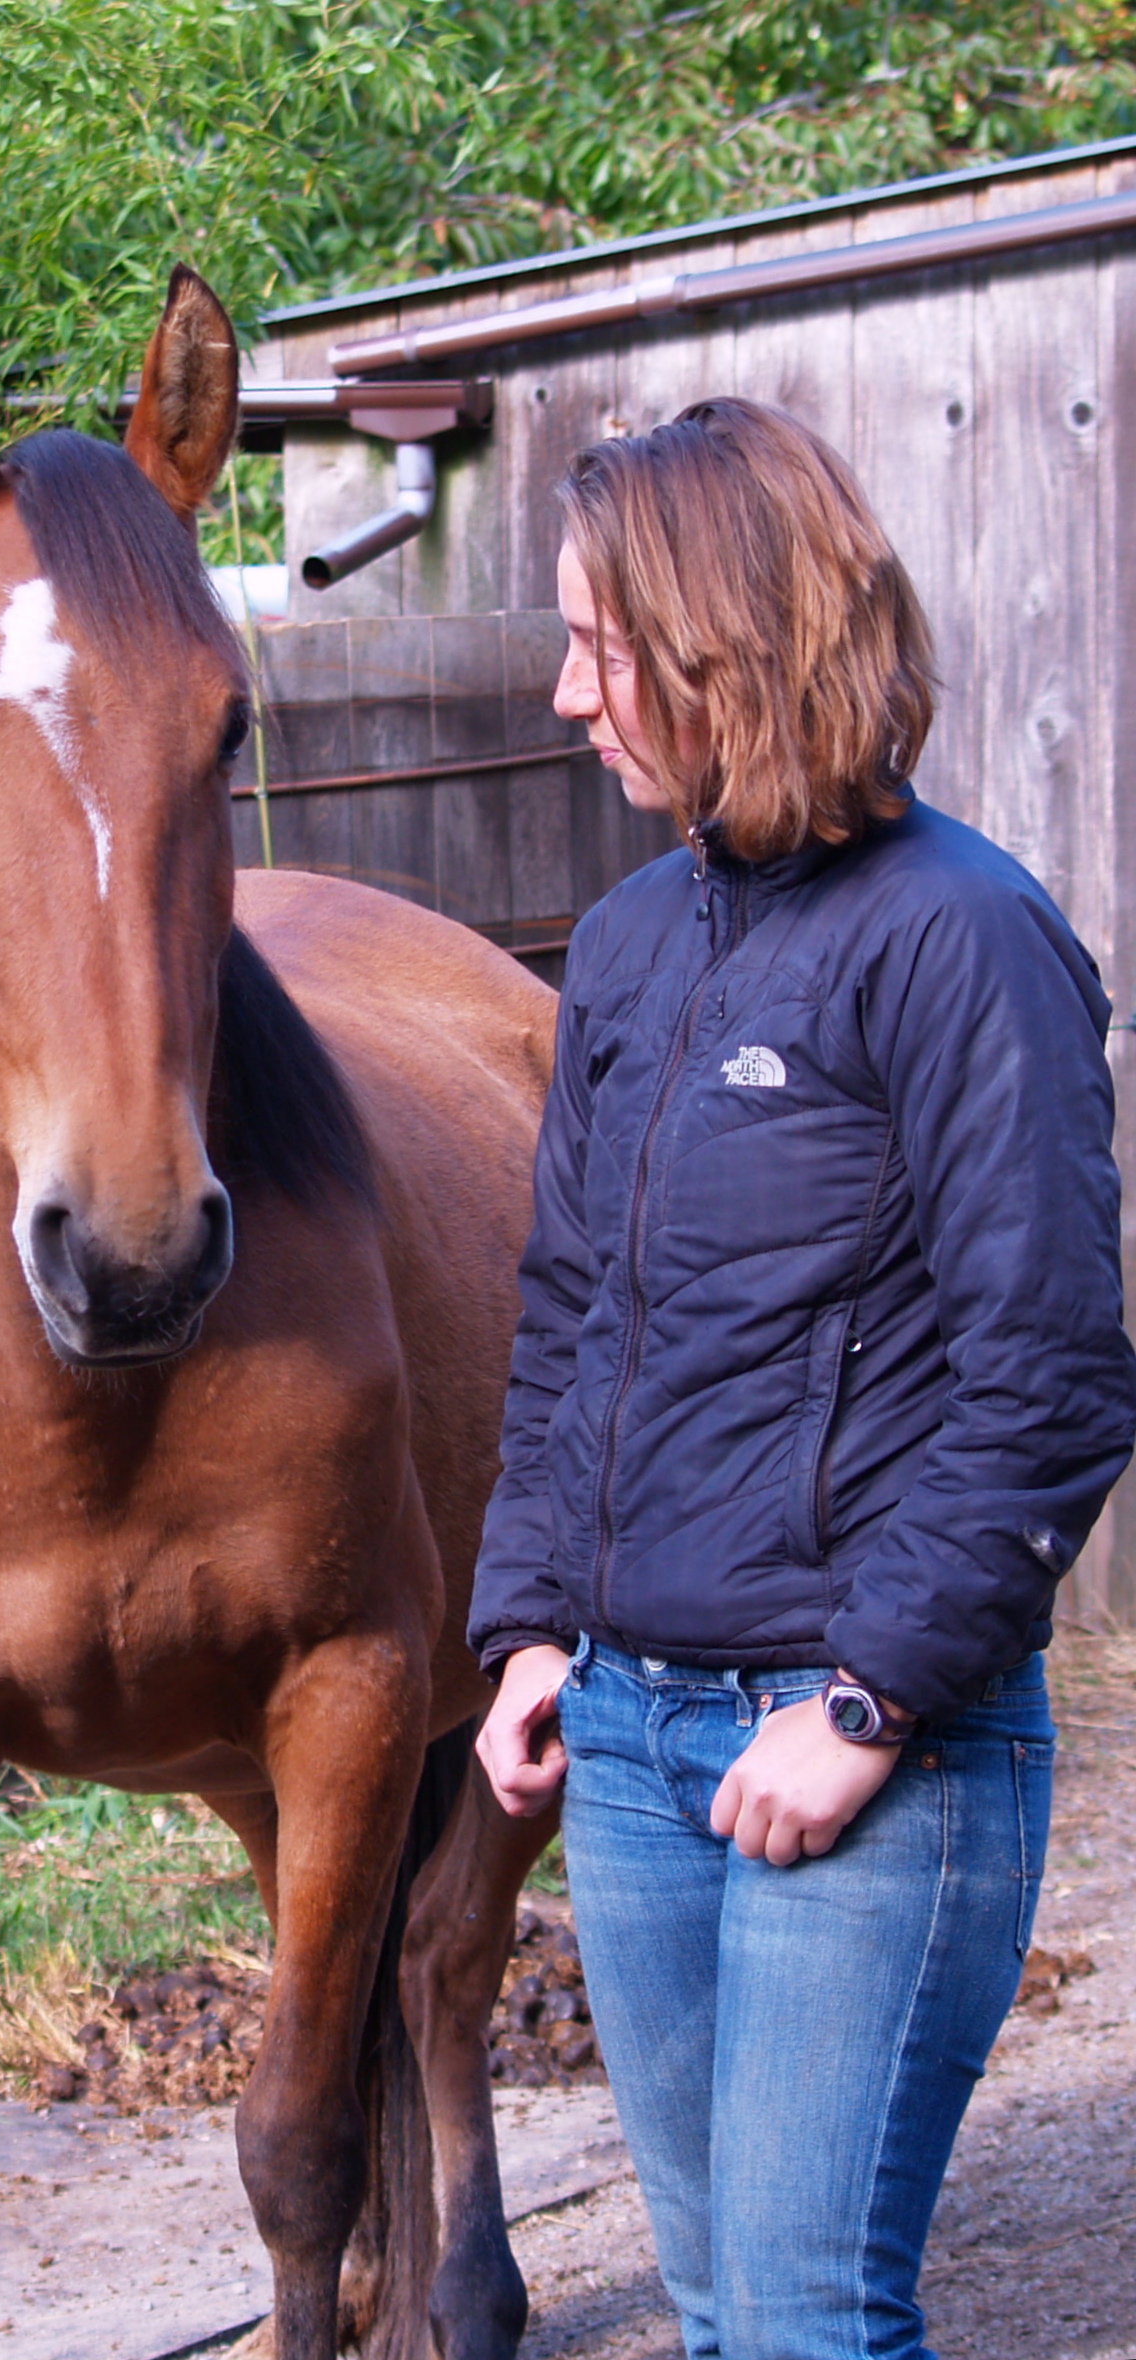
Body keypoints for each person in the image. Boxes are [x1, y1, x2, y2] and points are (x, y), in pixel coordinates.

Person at [468, 397, 1136, 2360]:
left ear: (719, 647)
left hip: (866, 1753)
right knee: (720, 2315)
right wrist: (530, 1628)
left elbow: (1049, 1377)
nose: (570, 695)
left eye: (598, 645)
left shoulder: (962, 939)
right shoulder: (624, 949)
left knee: (801, 2323)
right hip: (631, 1749)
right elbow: (571, 1319)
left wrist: (865, 1700)